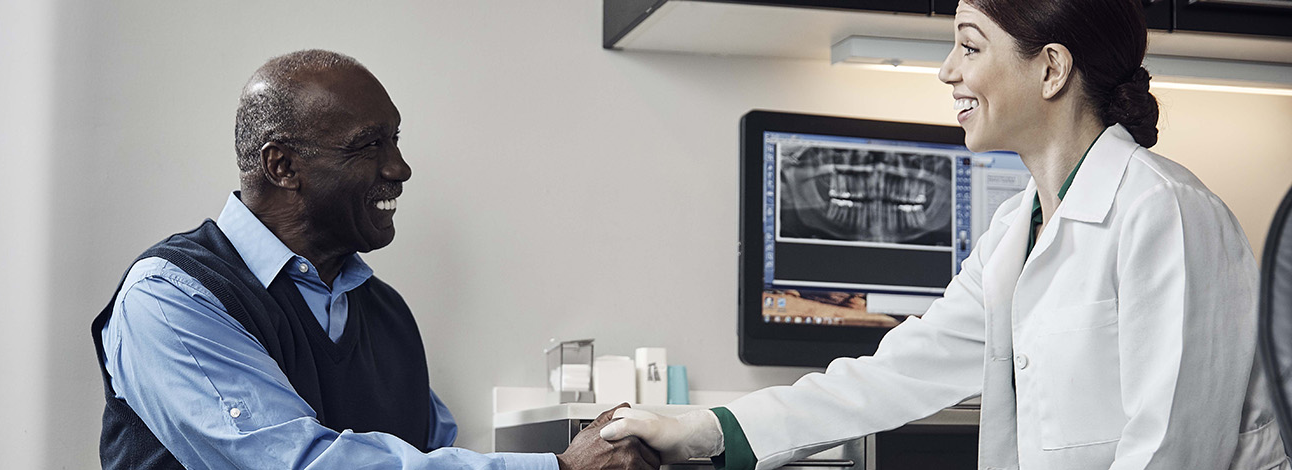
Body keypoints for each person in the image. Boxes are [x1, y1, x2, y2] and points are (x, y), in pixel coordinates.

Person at [601, 1, 1292, 469]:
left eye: (969, 45)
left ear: (1051, 68)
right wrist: (709, 429)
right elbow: (896, 374)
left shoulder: (1165, 211)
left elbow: (1170, 450)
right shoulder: (1013, 230)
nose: (947, 70)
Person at [90, 50, 659, 470]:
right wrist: (558, 469)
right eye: (369, 145)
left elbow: (434, 454)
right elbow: (294, 464)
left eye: (396, 140)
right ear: (283, 167)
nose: (400, 168)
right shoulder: (172, 297)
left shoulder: (386, 314)